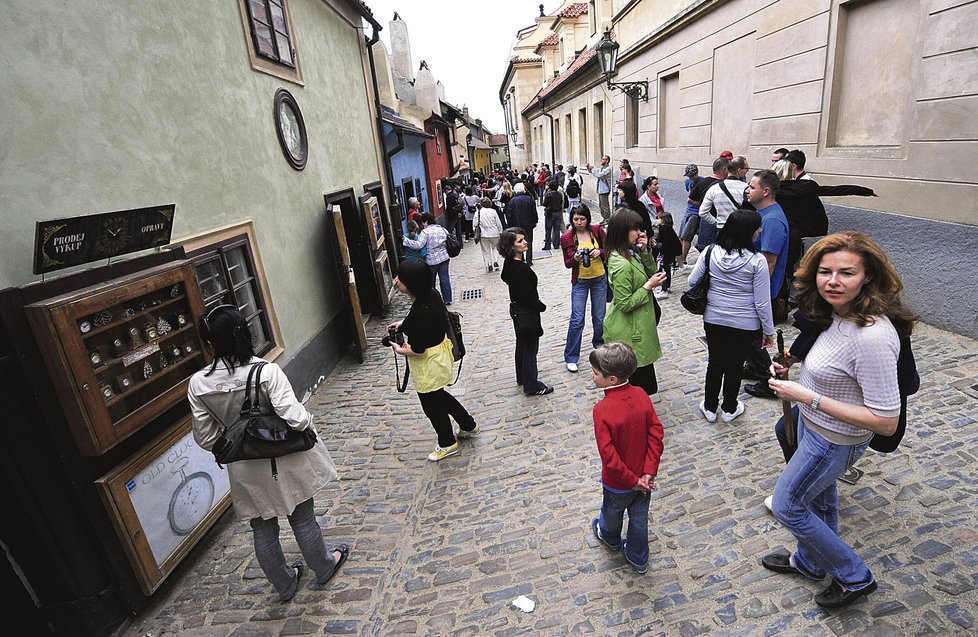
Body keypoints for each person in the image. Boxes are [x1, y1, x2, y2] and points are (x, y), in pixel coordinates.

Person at [760, 232, 914, 609]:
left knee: (788, 505)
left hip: (834, 441)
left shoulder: (873, 336)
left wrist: (805, 395)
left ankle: (854, 576)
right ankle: (811, 563)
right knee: (822, 503)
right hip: (815, 429)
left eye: (846, 272)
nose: (833, 281)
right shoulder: (835, 313)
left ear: (868, 277)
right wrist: (792, 364)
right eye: (825, 271)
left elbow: (885, 421)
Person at [188, 305, 346, 603]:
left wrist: (238, 438)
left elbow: (206, 437)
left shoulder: (198, 384)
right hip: (285, 457)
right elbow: (295, 418)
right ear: (244, 332)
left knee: (262, 527)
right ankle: (324, 566)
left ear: (209, 343)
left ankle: (285, 584)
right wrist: (306, 422)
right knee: (302, 517)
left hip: (245, 467)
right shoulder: (265, 371)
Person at [386, 260, 478, 461]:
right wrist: (404, 324)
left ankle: (447, 442)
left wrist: (398, 349)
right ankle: (468, 424)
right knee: (440, 396)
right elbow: (425, 319)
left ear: (410, 283)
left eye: (399, 278)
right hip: (440, 355)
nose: (396, 281)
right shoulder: (431, 294)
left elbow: (417, 350)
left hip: (428, 364)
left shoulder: (420, 313)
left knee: (431, 406)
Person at [688, 209, 775, 423]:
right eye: (757, 227)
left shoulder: (710, 252)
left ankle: (709, 407)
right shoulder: (757, 261)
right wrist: (769, 331)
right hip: (745, 323)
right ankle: (729, 408)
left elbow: (692, 281)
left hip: (714, 318)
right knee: (735, 364)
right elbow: (762, 302)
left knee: (715, 362)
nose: (760, 230)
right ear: (747, 232)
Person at [589, 342, 664, 574]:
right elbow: (656, 434)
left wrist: (631, 480)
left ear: (611, 379)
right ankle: (638, 557)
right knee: (639, 520)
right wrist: (648, 472)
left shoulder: (602, 409)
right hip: (644, 478)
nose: (592, 376)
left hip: (619, 483)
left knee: (611, 513)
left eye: (595, 373)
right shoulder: (641, 394)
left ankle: (610, 538)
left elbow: (608, 455)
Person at [603, 209, 667, 395]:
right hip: (630, 332)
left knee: (645, 387)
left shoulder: (629, 253)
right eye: (635, 229)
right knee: (638, 388)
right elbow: (625, 303)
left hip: (639, 326)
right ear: (623, 231)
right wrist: (648, 286)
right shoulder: (621, 263)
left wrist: (645, 252)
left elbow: (651, 272)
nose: (640, 232)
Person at [742, 170, 790, 398]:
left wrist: (755, 292)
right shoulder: (765, 214)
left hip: (763, 289)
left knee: (755, 338)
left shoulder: (772, 220)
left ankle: (767, 382)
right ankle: (753, 368)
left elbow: (769, 262)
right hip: (758, 287)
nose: (747, 190)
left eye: (752, 187)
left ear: (766, 191)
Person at [499, 227, 554, 396]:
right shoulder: (521, 269)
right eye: (520, 241)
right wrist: (541, 306)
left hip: (516, 309)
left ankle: (522, 377)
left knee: (521, 343)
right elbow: (528, 297)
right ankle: (532, 385)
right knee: (530, 349)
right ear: (511, 246)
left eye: (524, 239)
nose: (525, 242)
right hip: (526, 311)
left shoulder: (510, 263)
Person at [560, 204, 607, 372]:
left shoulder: (597, 230)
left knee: (599, 316)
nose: (579, 222)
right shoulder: (567, 237)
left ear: (588, 219)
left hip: (599, 278)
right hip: (580, 282)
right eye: (575, 219)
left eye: (582, 219)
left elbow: (608, 250)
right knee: (577, 319)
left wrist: (599, 252)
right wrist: (576, 258)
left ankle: (599, 344)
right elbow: (567, 263)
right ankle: (571, 356)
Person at [403, 213, 453, 305]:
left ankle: (433, 300)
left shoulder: (425, 232)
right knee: (445, 278)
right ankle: (447, 299)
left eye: (423, 222)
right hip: (444, 257)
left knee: (431, 281)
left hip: (432, 260)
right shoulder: (442, 229)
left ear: (426, 221)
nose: (423, 225)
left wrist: (406, 241)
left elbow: (418, 245)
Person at [698, 156, 747, 231]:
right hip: (741, 229)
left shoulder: (714, 188)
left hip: (722, 229)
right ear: (739, 170)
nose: (747, 171)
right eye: (747, 169)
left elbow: (702, 212)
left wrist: (717, 223)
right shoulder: (747, 188)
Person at [506, 183, 539, 266]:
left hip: (516, 226)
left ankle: (521, 259)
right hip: (528, 225)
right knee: (529, 242)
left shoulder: (512, 201)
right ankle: (529, 260)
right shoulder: (529, 199)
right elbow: (534, 211)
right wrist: (535, 221)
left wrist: (510, 225)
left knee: (518, 242)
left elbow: (509, 215)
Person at [678, 163, 702, 270]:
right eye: (689, 176)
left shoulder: (702, 182)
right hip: (688, 211)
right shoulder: (687, 182)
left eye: (692, 176)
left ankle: (682, 259)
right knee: (682, 235)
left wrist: (693, 202)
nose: (691, 178)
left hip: (696, 213)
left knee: (687, 236)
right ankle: (681, 258)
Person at [653, 212, 682, 299]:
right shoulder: (668, 229)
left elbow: (664, 244)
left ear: (663, 220)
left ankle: (664, 290)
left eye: (658, 219)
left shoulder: (663, 230)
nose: (656, 221)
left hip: (665, 254)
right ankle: (667, 287)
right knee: (667, 270)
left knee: (663, 271)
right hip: (670, 253)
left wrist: (656, 245)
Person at [475, 196, 504, 272]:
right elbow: (498, 223)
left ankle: (488, 264)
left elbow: (475, 224)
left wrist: (476, 232)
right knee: (496, 248)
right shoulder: (493, 211)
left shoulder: (478, 213)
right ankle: (495, 261)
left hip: (484, 234)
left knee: (485, 251)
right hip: (494, 233)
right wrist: (500, 231)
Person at [587, 155, 614, 223]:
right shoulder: (601, 168)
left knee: (605, 206)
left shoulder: (608, 169)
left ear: (607, 161)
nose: (601, 160)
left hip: (605, 190)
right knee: (601, 206)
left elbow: (599, 175)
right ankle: (604, 218)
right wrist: (589, 168)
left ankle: (607, 219)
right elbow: (593, 171)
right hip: (600, 190)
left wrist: (592, 169)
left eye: (603, 159)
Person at [542, 179, 566, 251]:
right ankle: (556, 244)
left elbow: (544, 204)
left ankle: (548, 245)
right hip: (558, 212)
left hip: (550, 213)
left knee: (548, 229)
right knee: (557, 229)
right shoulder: (559, 194)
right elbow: (561, 202)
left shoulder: (548, 194)